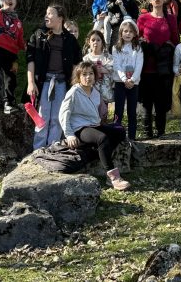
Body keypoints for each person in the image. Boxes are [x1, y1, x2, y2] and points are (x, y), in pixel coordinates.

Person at [60, 62, 130, 190]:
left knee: (120, 131)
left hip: (94, 125)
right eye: (84, 74)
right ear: (79, 77)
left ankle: (97, 153)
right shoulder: (74, 92)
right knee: (102, 138)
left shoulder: (95, 92)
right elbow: (63, 113)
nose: (88, 77)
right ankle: (113, 177)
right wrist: (69, 134)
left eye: (91, 73)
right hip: (80, 129)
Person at [26, 4, 82, 149]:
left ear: (60, 18)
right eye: (46, 13)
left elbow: (77, 65)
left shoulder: (70, 39)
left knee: (58, 117)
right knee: (42, 116)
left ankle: (53, 148)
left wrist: (75, 86)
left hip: (62, 83)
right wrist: (31, 83)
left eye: (50, 13)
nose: (46, 16)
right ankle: (38, 150)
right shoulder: (39, 35)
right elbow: (30, 60)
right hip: (44, 82)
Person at [137, 0, 180, 137]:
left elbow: (176, 41)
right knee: (147, 103)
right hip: (146, 67)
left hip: (164, 67)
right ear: (150, 0)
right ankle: (147, 134)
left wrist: (169, 46)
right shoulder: (143, 18)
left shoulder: (171, 18)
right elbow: (136, 40)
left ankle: (160, 134)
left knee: (161, 103)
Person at [111, 19, 144, 140]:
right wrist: (124, 79)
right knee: (118, 111)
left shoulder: (138, 48)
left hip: (133, 84)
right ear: (121, 33)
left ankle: (132, 138)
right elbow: (117, 65)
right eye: (125, 31)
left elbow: (139, 65)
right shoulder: (116, 48)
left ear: (135, 33)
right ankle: (116, 137)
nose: (128, 34)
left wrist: (133, 79)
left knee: (131, 111)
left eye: (130, 31)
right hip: (120, 83)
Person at [82, 30, 114, 111]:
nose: (95, 42)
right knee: (92, 112)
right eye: (93, 40)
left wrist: (105, 70)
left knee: (104, 114)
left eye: (98, 40)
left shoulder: (108, 57)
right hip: (90, 92)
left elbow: (115, 71)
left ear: (102, 42)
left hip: (106, 92)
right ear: (89, 42)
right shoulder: (86, 59)